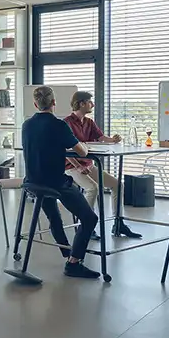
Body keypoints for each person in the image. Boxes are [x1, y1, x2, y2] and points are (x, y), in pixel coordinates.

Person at [22, 86, 100, 279]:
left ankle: (68, 254)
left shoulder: (26, 125)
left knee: (54, 217)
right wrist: (83, 145)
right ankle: (73, 262)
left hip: (32, 182)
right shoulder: (59, 125)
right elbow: (81, 152)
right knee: (90, 219)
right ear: (54, 103)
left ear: (35, 104)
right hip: (55, 183)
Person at [63, 91, 141, 239]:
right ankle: (85, 225)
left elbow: (100, 137)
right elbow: (64, 149)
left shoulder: (89, 122)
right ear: (81, 103)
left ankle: (119, 224)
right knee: (92, 188)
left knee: (118, 185)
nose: (92, 104)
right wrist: (78, 166)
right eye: (90, 102)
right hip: (72, 167)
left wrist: (113, 140)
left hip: (89, 165)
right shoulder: (66, 123)